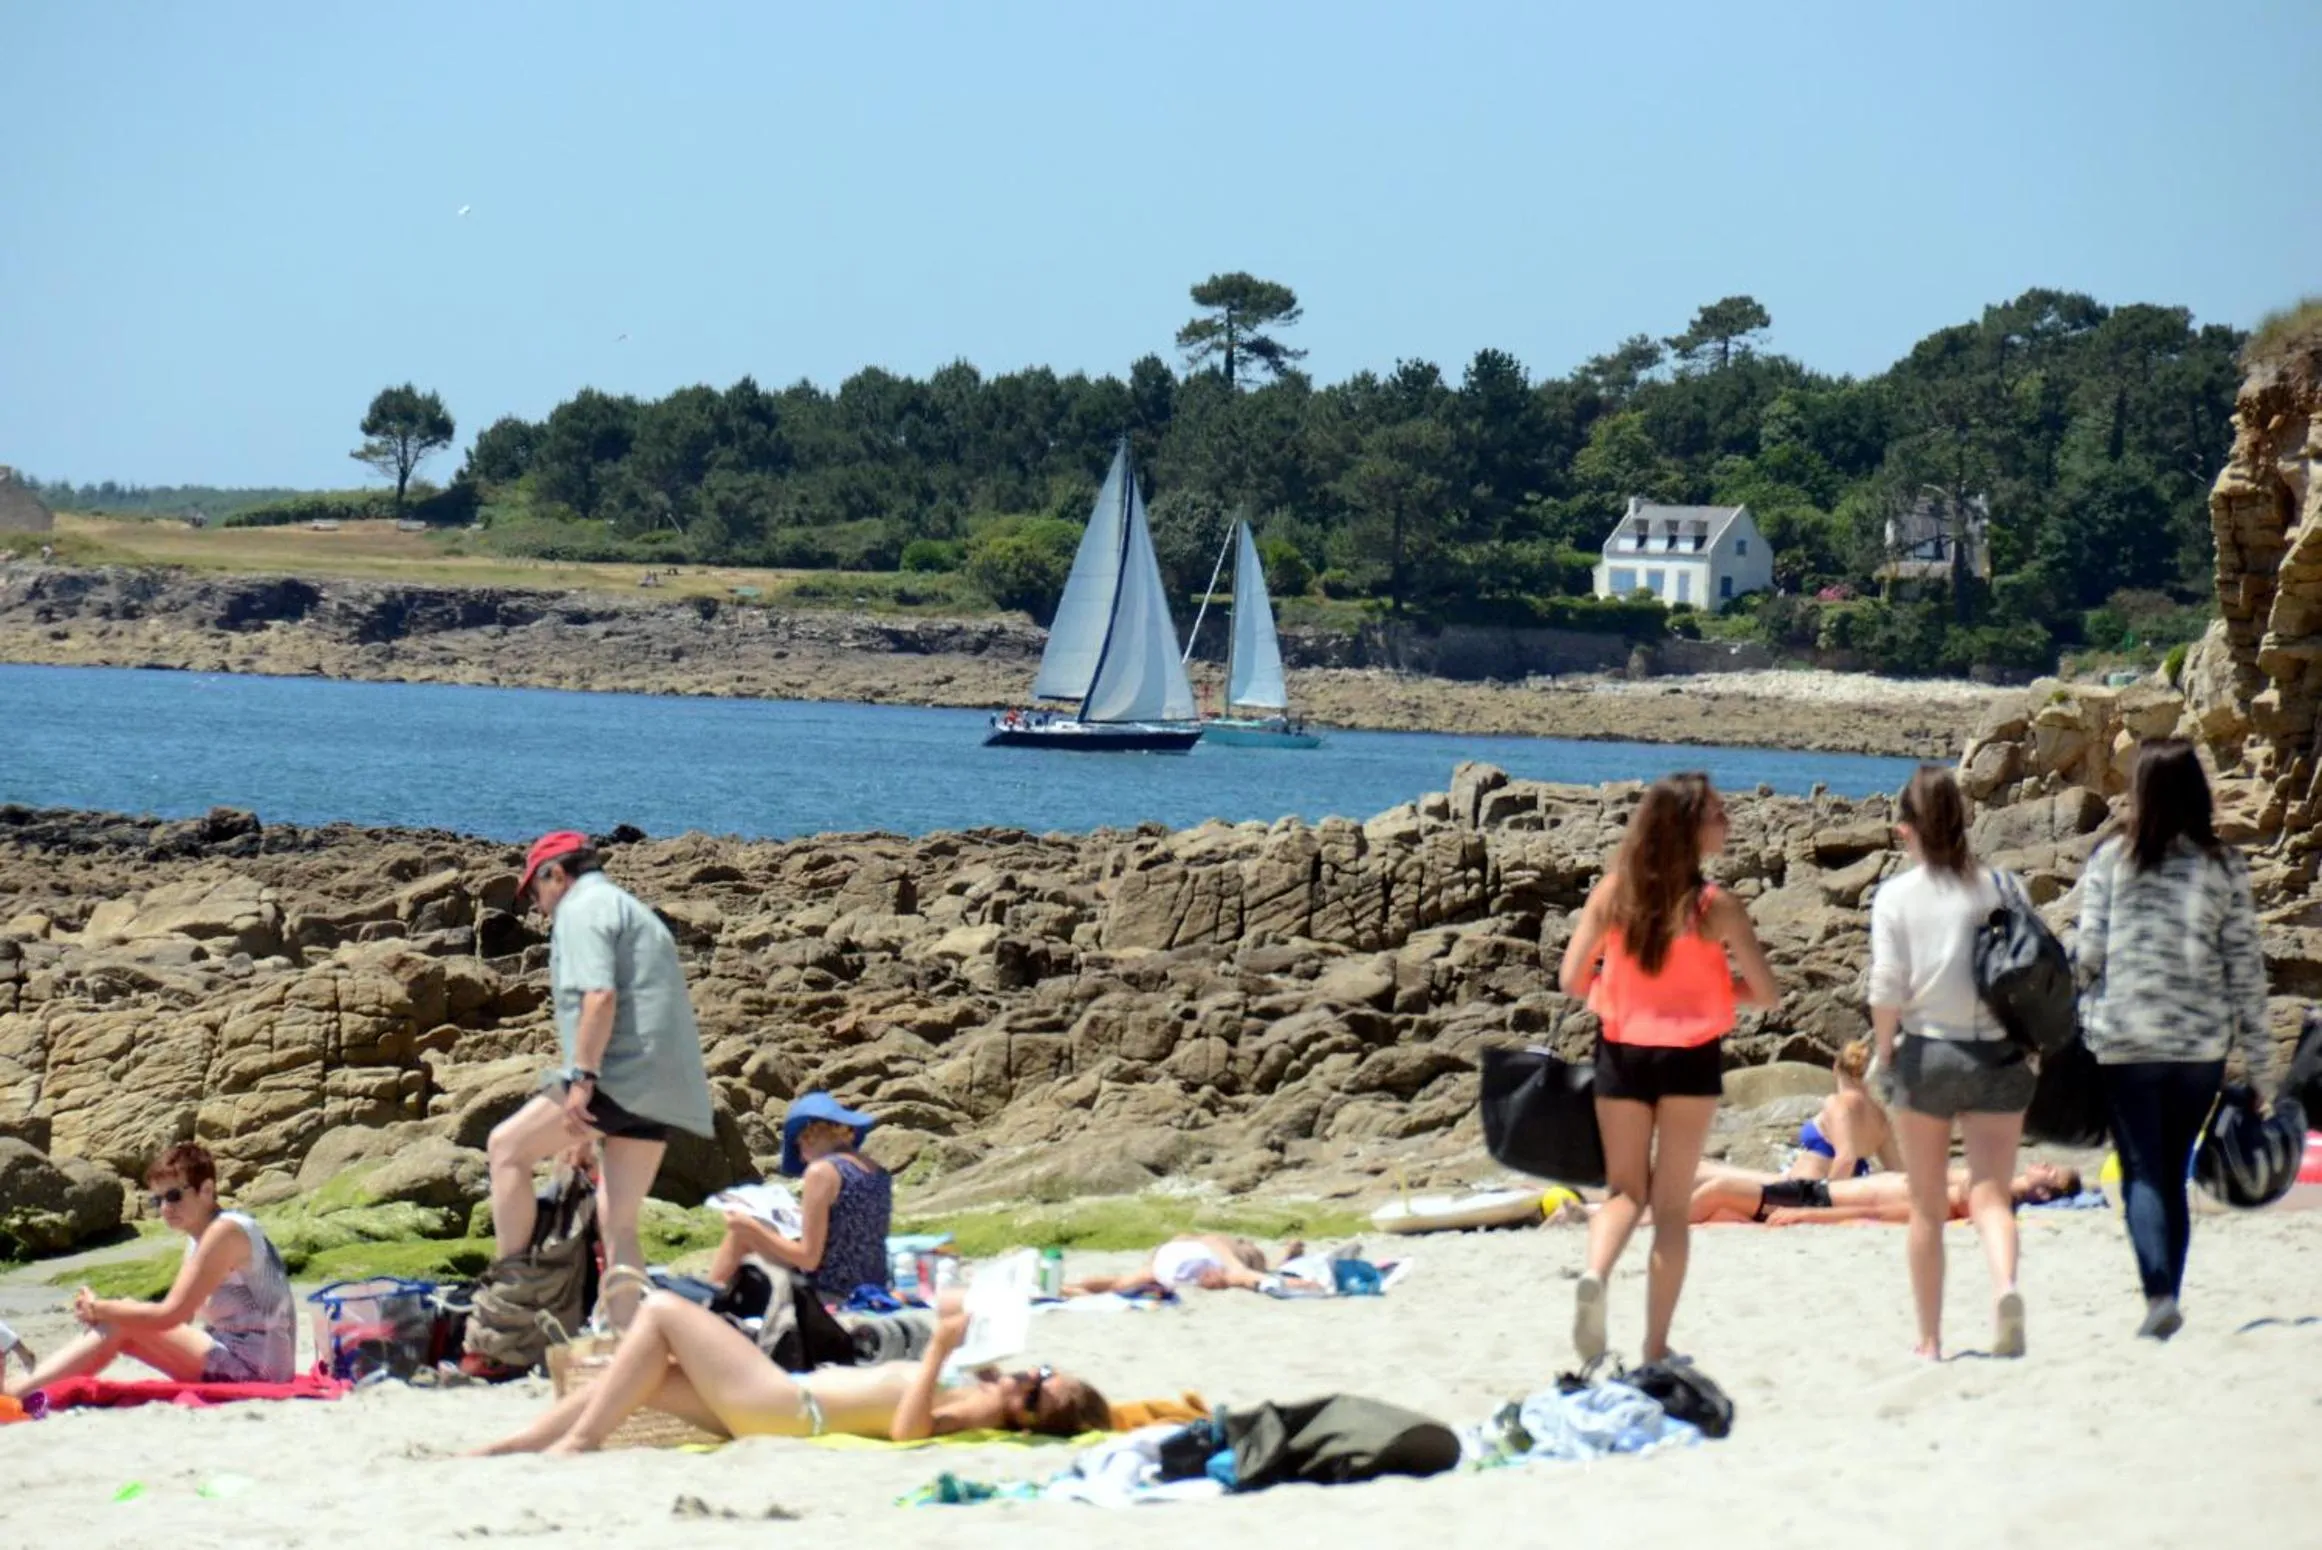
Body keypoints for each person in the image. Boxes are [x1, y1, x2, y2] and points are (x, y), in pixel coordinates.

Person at [1559, 772, 1780, 1363]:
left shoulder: (1612, 894)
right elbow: (1765, 992)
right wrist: (1706, 986)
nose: (1727, 823)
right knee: (1674, 1206)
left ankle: (1596, 1277)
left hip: (1623, 1053)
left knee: (1624, 1192)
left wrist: (1631, 985)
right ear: (1688, 829)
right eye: (1717, 815)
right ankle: (1655, 1347)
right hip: (1689, 1059)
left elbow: (1572, 979)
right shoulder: (1716, 907)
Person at [2078, 739, 2276, 1341]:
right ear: (2198, 791)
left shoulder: (2112, 859)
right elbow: (2245, 970)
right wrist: (2264, 1070)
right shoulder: (2225, 866)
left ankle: (2159, 1293)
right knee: (2173, 1173)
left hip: (2126, 1040)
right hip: (2199, 1048)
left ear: (2139, 794)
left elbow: (2088, 955)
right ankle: (2170, 1293)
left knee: (2141, 1169)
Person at [485, 832, 716, 1329]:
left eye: (533, 892)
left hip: (619, 1077)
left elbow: (599, 997)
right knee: (619, 1221)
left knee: (506, 1148)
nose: (536, 906)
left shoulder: (581, 910)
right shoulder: (630, 909)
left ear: (556, 875)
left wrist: (582, 1082)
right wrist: (590, 1135)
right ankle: (629, 1339)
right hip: (666, 1087)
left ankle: (510, 1299)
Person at [476, 1299, 1109, 1454]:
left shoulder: (981, 1412)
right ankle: (512, 1448)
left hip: (787, 1406)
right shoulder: (988, 1391)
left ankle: (578, 1444)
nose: (1023, 1379)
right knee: (644, 1373)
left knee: (663, 1311)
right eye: (1039, 1372)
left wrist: (939, 1354)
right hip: (778, 1409)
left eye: (1033, 1391)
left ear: (1025, 1417)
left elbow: (912, 1432)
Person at [1868, 765, 2031, 1361]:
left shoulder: (1895, 897)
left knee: (1927, 1207)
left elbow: (1887, 987)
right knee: (1991, 1194)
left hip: (1927, 1053)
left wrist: (1885, 1055)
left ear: (1907, 830)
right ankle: (2006, 1288)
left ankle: (1931, 1341)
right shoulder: (2003, 888)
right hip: (1997, 1052)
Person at [4, 1143, 294, 1400]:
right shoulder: (200, 1236)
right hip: (239, 1356)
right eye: (157, 1200)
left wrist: (103, 1309)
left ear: (207, 1190)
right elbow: (184, 1314)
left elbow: (172, 1315)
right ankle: (30, 1387)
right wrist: (111, 1310)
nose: (165, 1208)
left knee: (120, 1321)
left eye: (173, 1196)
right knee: (123, 1322)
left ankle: (19, 1391)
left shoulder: (225, 1231)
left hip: (260, 1370)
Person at [707, 1092, 893, 1301]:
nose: (803, 1158)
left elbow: (808, 1259)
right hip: (871, 1286)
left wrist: (750, 1228)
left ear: (810, 1134)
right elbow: (849, 1230)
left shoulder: (821, 1171)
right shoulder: (879, 1172)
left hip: (829, 1292)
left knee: (741, 1234)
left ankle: (707, 1305)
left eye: (799, 1148)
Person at [1688, 1162, 2081, 1225]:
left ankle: (1648, 1222)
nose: (2044, 1164)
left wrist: (1811, 1217)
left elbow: (1885, 1211)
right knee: (1706, 1178)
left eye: (2052, 1171)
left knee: (1718, 1189)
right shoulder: (1983, 1174)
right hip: (1826, 1190)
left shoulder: (1978, 1195)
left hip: (1822, 1201)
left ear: (2046, 1193)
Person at [1788, 1037, 1900, 1181]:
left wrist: (1828, 1199)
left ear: (1835, 1067)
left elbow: (1847, 1159)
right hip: (1847, 1188)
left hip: (1810, 1190)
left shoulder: (1837, 1103)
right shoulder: (1879, 1115)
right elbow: (1897, 1169)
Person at [1062, 1233, 1313, 1296]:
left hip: (1169, 1255)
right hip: (1180, 1258)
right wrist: (1305, 1284)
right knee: (1261, 1267)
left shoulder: (1210, 1249)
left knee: (1119, 1283)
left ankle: (1064, 1286)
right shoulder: (1232, 1262)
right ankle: (1286, 1256)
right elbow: (1261, 1279)